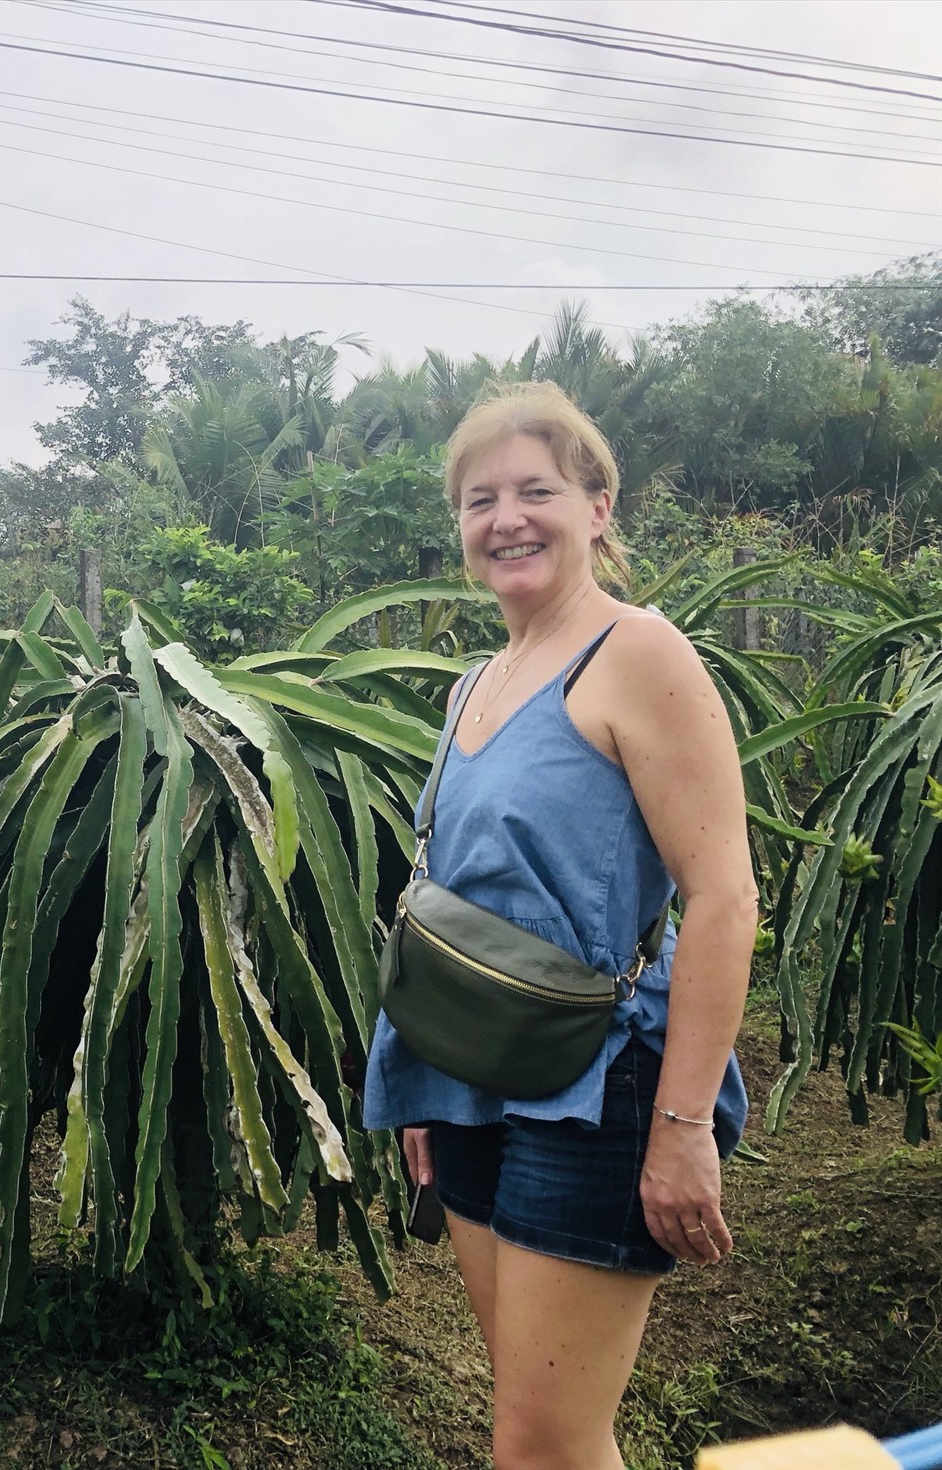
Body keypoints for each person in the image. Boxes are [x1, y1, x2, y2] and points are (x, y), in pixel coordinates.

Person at [363, 381, 757, 1470]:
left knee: (538, 1444)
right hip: (476, 1073)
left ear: (598, 505)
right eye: (479, 498)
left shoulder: (638, 654)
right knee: (547, 1434)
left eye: (536, 488)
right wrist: (431, 1082)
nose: (506, 519)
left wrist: (681, 1131)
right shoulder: (471, 686)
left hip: (602, 1085)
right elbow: (465, 900)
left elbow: (723, 896)